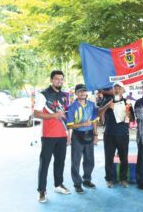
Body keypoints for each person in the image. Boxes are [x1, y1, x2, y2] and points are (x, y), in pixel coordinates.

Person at [34, 70, 70, 203]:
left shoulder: (64, 96)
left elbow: (65, 117)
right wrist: (53, 116)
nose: (59, 81)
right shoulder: (42, 95)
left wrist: (68, 134)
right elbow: (36, 114)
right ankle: (41, 191)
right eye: (56, 79)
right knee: (45, 164)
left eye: (61, 79)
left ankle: (58, 185)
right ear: (51, 80)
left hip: (62, 135)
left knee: (60, 162)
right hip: (48, 135)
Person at [66, 84, 103, 194]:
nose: (82, 93)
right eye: (80, 91)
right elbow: (70, 125)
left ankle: (87, 180)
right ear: (76, 93)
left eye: (84, 91)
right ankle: (77, 184)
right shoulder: (72, 107)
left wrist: (96, 135)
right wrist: (83, 124)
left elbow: (95, 120)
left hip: (90, 135)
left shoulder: (92, 105)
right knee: (75, 161)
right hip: (77, 136)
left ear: (86, 93)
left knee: (90, 160)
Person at [103, 82, 134, 188]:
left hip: (123, 134)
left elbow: (132, 119)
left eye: (119, 88)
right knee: (108, 158)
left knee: (124, 158)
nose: (116, 90)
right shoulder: (107, 101)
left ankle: (123, 179)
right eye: (115, 88)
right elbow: (99, 113)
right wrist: (108, 106)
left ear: (123, 90)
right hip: (109, 134)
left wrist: (128, 115)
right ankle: (109, 179)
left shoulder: (127, 103)